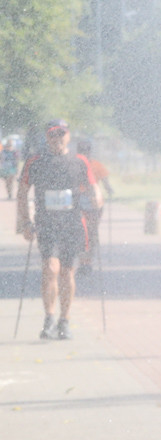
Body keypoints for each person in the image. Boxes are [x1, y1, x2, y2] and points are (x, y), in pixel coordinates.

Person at [16, 119, 103, 340]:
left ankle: (64, 321)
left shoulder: (79, 161)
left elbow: (94, 188)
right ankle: (49, 318)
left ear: (68, 136)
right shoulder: (35, 161)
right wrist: (25, 222)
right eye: (52, 134)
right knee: (50, 269)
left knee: (66, 272)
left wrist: (96, 199)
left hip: (72, 224)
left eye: (61, 133)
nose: (57, 138)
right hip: (46, 224)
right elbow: (22, 192)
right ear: (47, 137)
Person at [75, 139, 114, 273]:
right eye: (82, 152)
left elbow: (106, 182)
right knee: (82, 232)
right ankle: (83, 262)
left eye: (85, 152)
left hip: (93, 203)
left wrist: (109, 190)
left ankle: (87, 262)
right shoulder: (74, 164)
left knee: (90, 232)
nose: (84, 154)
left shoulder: (96, 165)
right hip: (80, 203)